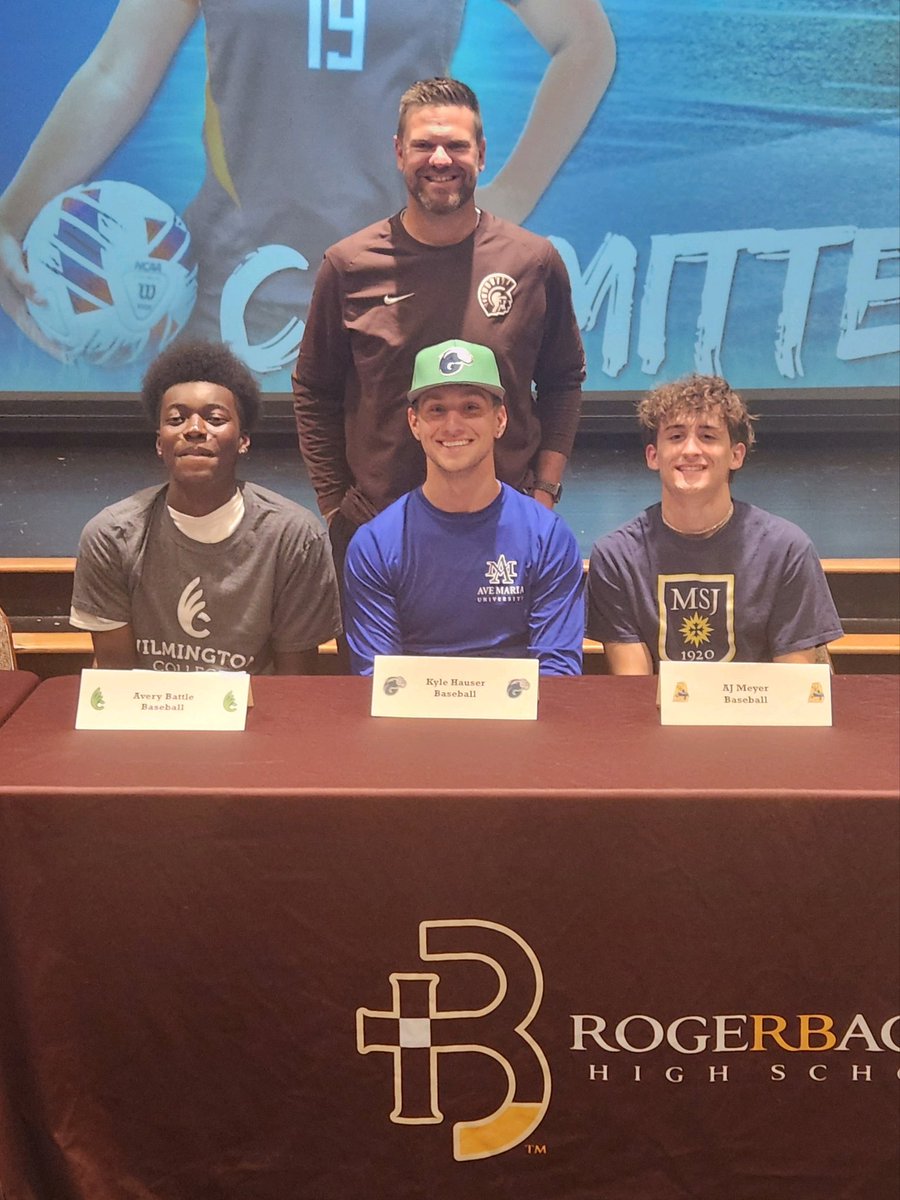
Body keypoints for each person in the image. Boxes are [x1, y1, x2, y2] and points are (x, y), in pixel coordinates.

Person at [0, 1, 615, 366]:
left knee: (389, 550)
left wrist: (509, 198)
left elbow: (584, 41)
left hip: (407, 300)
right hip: (225, 298)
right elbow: (116, 74)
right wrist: (10, 215)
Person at [293, 76, 587, 586]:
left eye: (456, 145)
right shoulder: (348, 266)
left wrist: (543, 493)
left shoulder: (533, 261)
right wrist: (336, 508)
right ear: (399, 152)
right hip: (378, 534)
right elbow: (314, 391)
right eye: (424, 145)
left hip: (505, 533)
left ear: (481, 154)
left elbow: (563, 380)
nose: (440, 159)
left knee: (502, 670)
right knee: (376, 670)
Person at [70, 339, 341, 673]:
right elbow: (118, 684)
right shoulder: (110, 536)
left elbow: (292, 688)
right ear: (159, 443)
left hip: (255, 719)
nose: (195, 430)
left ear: (243, 441)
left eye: (214, 418)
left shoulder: (294, 537)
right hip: (148, 718)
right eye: (177, 419)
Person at [343, 339, 584, 676]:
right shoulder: (375, 546)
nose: (453, 425)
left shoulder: (548, 537)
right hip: (415, 726)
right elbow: (379, 680)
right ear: (415, 423)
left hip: (519, 724)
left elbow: (558, 674)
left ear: (500, 420)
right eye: (436, 410)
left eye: (471, 408)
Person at [586, 374, 843, 673]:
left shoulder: (787, 550)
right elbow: (634, 690)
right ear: (653, 456)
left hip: (760, 718)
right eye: (676, 436)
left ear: (736, 455)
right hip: (660, 718)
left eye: (707, 436)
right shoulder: (616, 557)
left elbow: (794, 690)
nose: (691, 450)